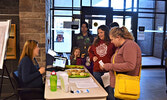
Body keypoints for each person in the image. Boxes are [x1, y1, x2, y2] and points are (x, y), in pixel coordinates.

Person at [101, 26, 142, 100]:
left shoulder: (130, 45)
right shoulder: (121, 46)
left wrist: (110, 66)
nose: (111, 42)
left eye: (112, 39)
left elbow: (130, 65)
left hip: (126, 85)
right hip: (121, 84)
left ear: (118, 37)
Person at [89, 25, 116, 100]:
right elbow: (90, 51)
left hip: (108, 71)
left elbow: (116, 54)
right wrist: (92, 57)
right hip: (97, 70)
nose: (99, 34)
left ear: (106, 32)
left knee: (109, 92)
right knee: (99, 92)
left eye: (101, 32)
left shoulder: (112, 42)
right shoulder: (96, 42)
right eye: (98, 33)